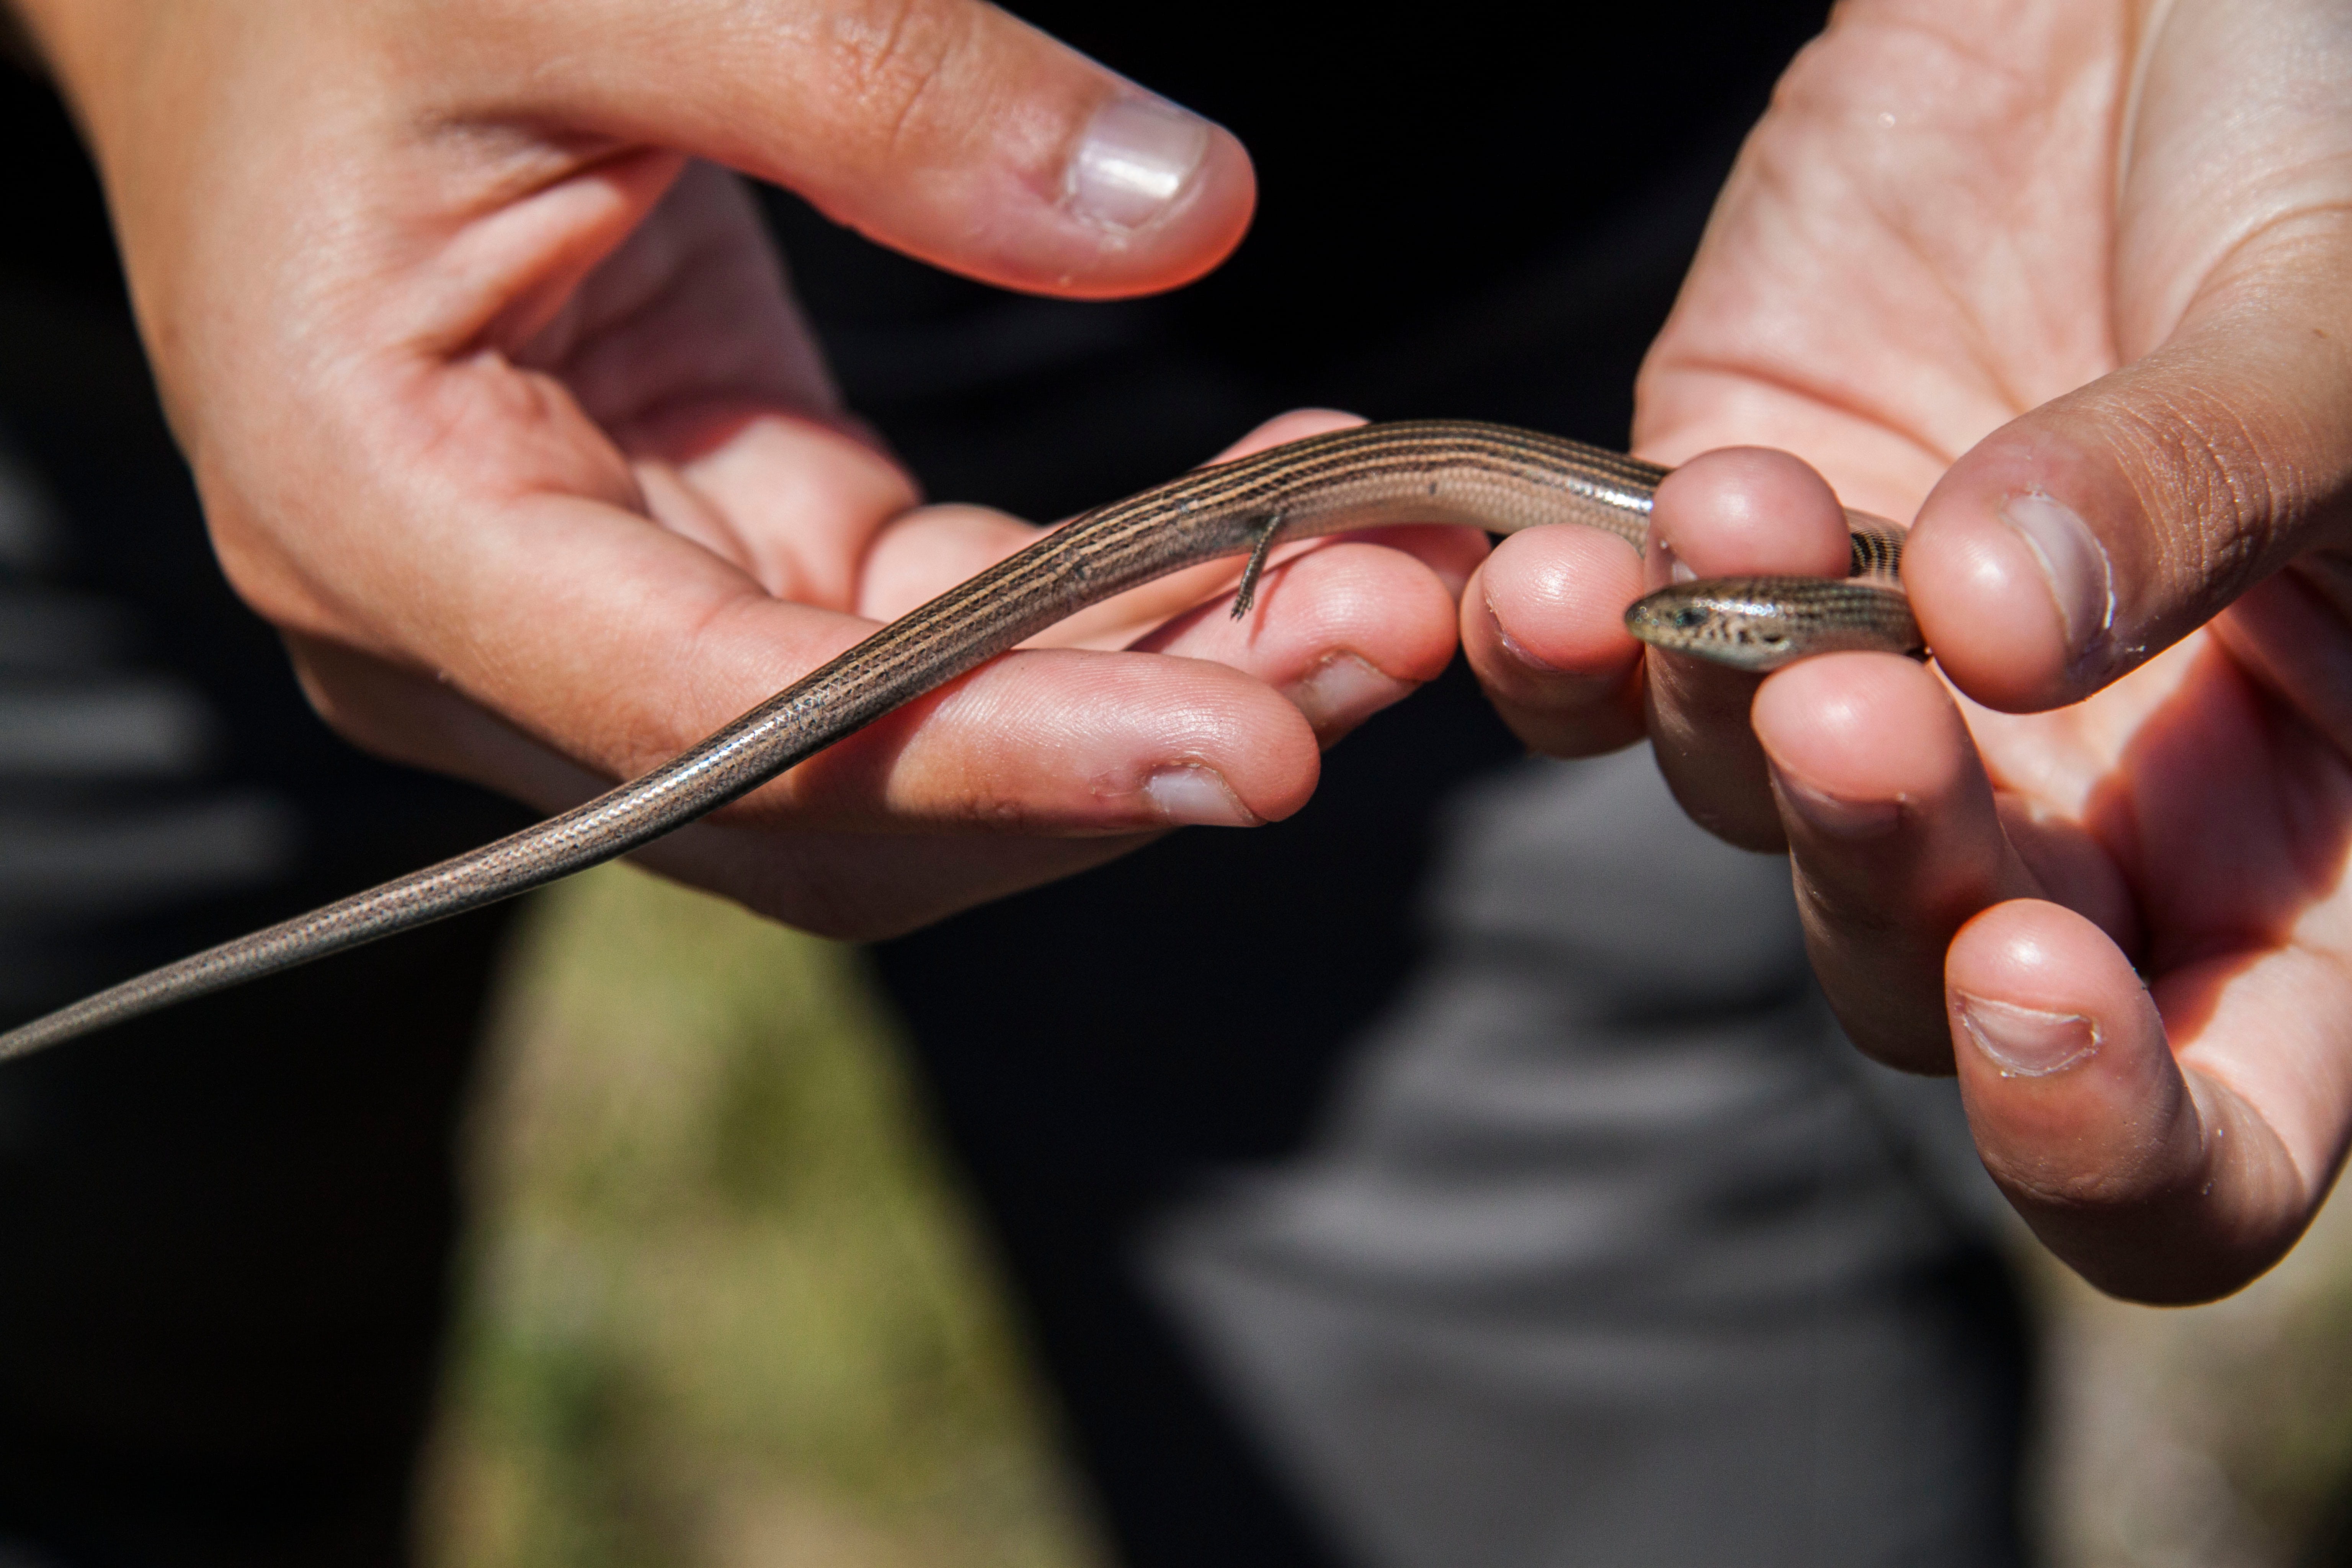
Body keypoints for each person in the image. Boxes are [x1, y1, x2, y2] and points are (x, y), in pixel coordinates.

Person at [2, 0, 2348, 1561]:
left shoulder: (1800, 560)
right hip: (97, 341)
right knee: (118, 1390)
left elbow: (1734, 599)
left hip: (1525, 223)